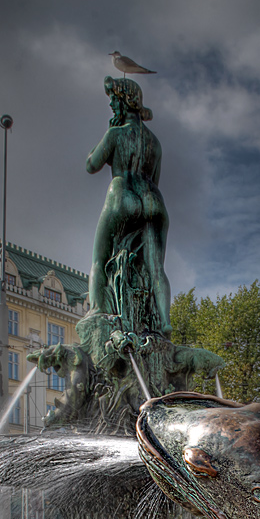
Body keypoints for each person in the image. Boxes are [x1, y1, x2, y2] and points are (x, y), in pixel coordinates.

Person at [86, 76, 172, 336]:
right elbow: (154, 177)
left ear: (123, 102)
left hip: (122, 194)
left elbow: (91, 165)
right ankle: (165, 321)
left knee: (99, 260)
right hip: (153, 199)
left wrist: (107, 133)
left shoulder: (115, 134)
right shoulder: (155, 142)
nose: (112, 106)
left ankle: (97, 310)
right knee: (156, 267)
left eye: (114, 101)